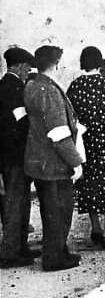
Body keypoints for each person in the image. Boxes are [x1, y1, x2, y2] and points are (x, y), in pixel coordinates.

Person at [24, 45, 83, 271]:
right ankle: (55, 258)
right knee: (60, 211)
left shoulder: (32, 84)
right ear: (57, 63)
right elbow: (58, 133)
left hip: (39, 162)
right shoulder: (48, 90)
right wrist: (76, 162)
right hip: (54, 163)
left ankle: (58, 251)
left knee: (51, 212)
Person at [66, 46, 105, 248]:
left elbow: (71, 114)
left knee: (90, 183)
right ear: (99, 62)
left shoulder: (74, 86)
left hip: (85, 142)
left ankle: (96, 229)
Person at [0, 47, 40, 268]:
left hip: (11, 156)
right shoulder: (13, 88)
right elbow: (21, 123)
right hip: (15, 156)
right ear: (18, 66)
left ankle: (19, 247)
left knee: (19, 202)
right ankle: (10, 253)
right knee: (15, 203)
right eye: (26, 67)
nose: (28, 71)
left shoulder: (7, 85)